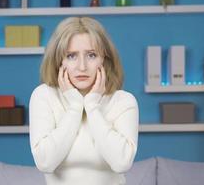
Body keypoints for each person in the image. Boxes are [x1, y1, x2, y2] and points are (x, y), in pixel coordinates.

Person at [29, 17, 139, 185]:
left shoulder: (124, 101)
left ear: (104, 58)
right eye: (71, 56)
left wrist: (92, 105)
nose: (82, 66)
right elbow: (45, 163)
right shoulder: (43, 96)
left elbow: (121, 163)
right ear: (60, 60)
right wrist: (75, 106)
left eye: (91, 55)